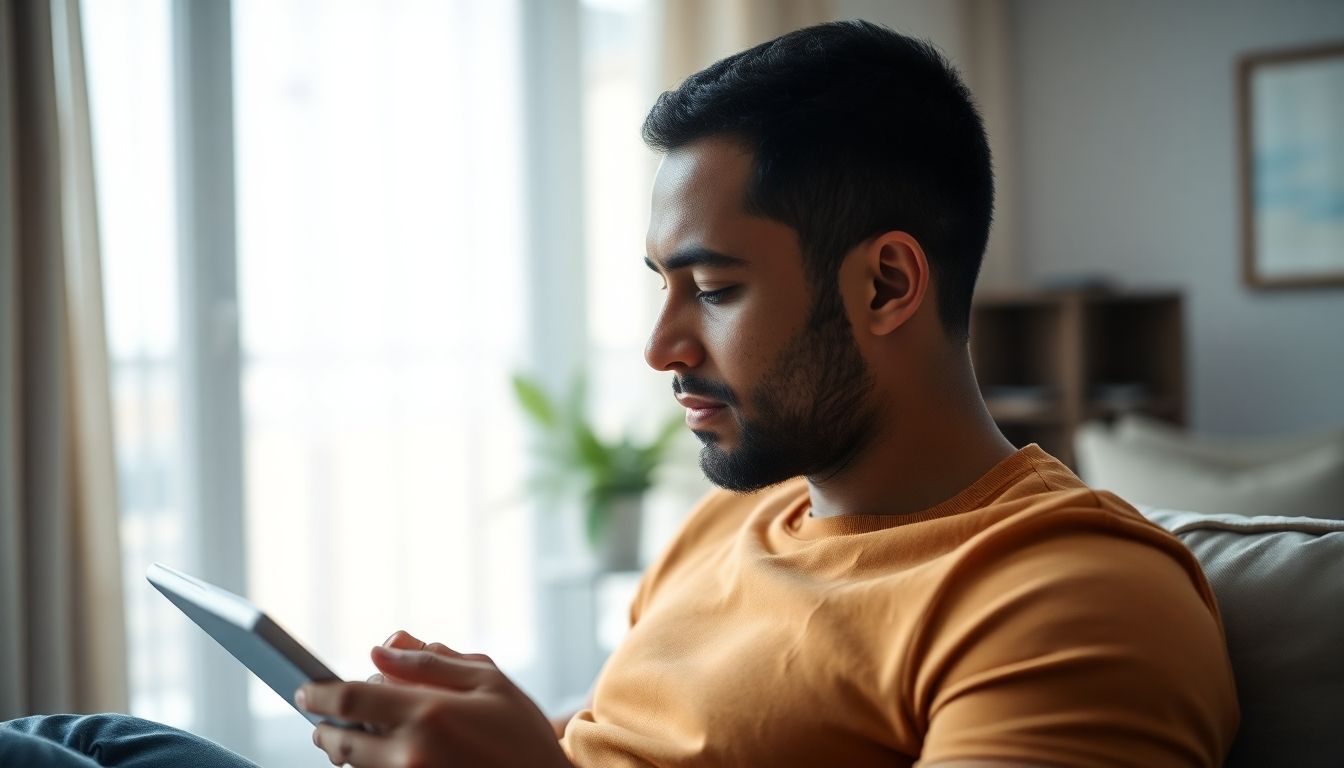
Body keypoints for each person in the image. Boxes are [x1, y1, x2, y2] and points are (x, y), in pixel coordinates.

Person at [1, 19, 1237, 768]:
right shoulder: (728, 523)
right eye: (662, 282)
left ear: (889, 283)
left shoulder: (1070, 597)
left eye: (711, 287)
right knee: (73, 738)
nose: (659, 346)